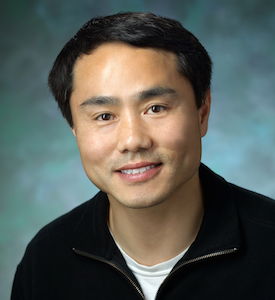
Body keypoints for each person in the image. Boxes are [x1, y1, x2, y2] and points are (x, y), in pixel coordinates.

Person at [11, 12, 275, 300]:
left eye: (156, 108)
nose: (133, 140)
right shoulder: (46, 261)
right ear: (74, 128)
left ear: (203, 111)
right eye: (104, 116)